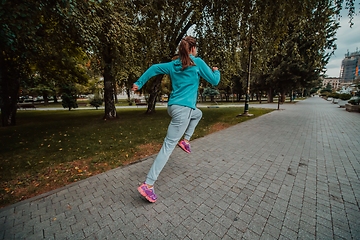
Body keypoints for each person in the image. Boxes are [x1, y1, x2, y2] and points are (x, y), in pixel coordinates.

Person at [132, 36, 220, 203]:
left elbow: (154, 68)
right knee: (168, 146)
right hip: (183, 110)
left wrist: (139, 82)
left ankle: (185, 140)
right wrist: (216, 70)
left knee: (198, 114)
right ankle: (148, 185)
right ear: (193, 49)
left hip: (173, 107)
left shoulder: (173, 64)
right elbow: (215, 80)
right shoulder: (197, 63)